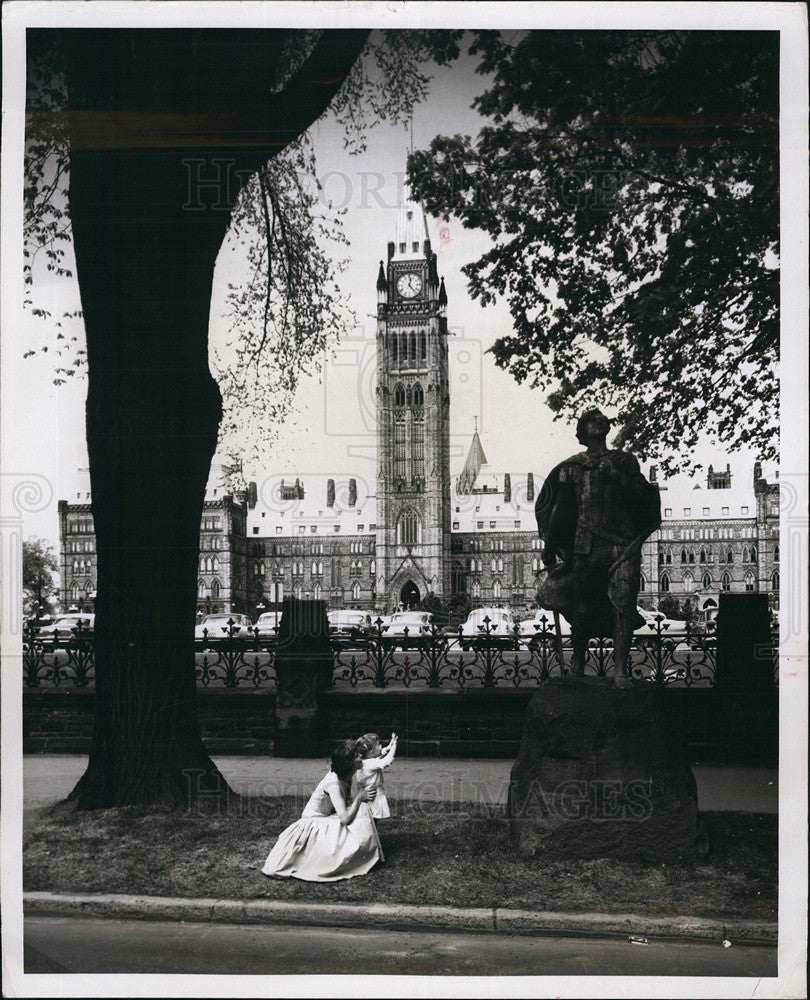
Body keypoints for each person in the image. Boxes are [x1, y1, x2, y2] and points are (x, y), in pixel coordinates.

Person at [535, 407, 660, 685]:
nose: (599, 421)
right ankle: (578, 664)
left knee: (623, 604)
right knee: (582, 608)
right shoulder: (570, 467)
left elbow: (643, 498)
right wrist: (550, 544)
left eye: (603, 420)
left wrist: (617, 476)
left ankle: (620, 670)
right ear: (582, 430)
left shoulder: (624, 461)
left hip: (622, 545)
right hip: (586, 545)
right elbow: (560, 509)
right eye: (592, 420)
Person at [262, 740, 383, 882]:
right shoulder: (333, 784)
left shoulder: (346, 777)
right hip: (312, 825)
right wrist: (359, 798)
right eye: (357, 756)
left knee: (362, 809)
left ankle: (363, 852)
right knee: (361, 808)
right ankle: (359, 855)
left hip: (326, 820)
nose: (361, 757)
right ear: (349, 763)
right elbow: (345, 819)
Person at [354, 732, 398, 819]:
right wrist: (394, 746)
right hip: (373, 795)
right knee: (374, 816)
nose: (381, 746)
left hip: (366, 792)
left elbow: (379, 753)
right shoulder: (371, 763)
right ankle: (373, 831)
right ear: (372, 752)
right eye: (378, 745)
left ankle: (372, 830)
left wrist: (389, 746)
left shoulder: (365, 761)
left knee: (369, 816)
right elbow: (387, 761)